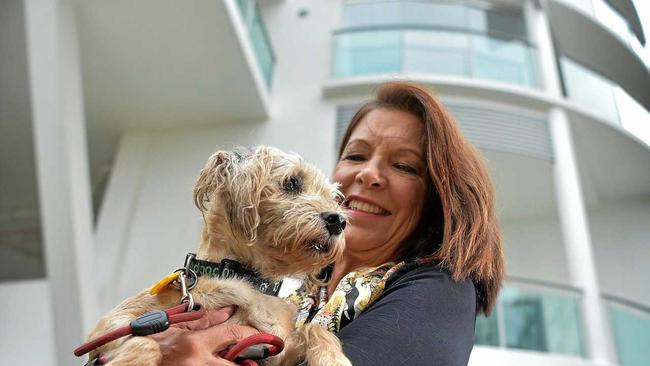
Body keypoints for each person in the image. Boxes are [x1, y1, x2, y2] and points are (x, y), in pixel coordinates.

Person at [151, 81, 505, 365]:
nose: (368, 174)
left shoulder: (440, 291)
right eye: (356, 155)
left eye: (404, 166)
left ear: (435, 204)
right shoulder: (284, 282)